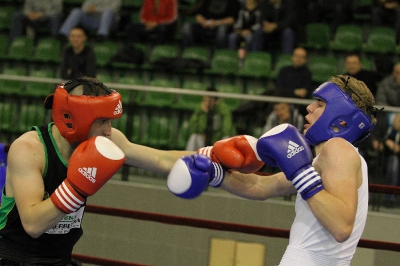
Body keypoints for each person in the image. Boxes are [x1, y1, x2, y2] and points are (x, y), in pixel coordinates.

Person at [0, 76, 262, 264]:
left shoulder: (105, 139)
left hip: (58, 258)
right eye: (101, 121)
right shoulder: (29, 149)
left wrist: (212, 154)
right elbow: (33, 224)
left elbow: (160, 159)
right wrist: (77, 187)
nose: (108, 130)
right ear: (75, 119)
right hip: (12, 258)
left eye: (111, 121)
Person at [168, 74, 379, 265]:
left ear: (341, 119)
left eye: (320, 103)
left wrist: (301, 173)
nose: (309, 108)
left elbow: (341, 227)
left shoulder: (338, 149)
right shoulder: (327, 161)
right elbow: (261, 185)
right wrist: (217, 173)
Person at [275, 46, 312, 116]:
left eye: (301, 57)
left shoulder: (307, 73)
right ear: (292, 57)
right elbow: (278, 88)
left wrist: (287, 91)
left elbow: (303, 93)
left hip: (296, 103)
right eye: (296, 56)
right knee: (270, 93)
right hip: (281, 98)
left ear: (305, 59)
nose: (298, 59)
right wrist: (294, 91)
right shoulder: (284, 70)